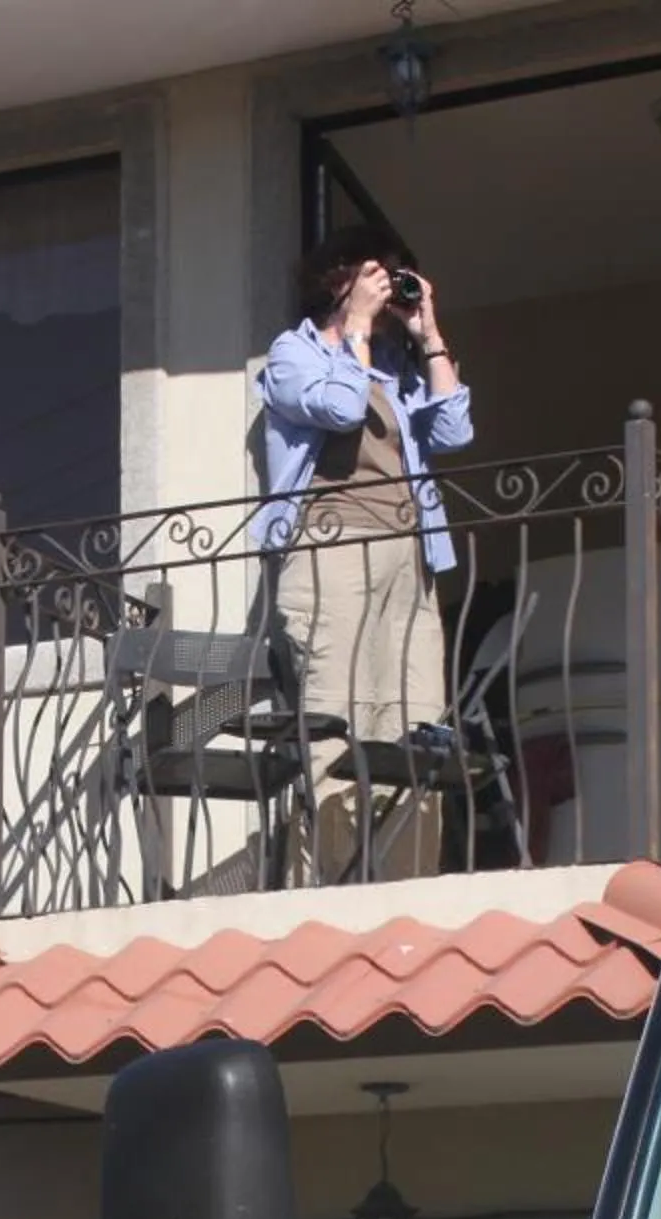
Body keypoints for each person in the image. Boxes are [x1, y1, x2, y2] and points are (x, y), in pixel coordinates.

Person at [251, 223, 474, 883]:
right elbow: (341, 411)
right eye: (377, 272)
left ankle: (405, 885)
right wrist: (353, 331)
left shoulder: (395, 368)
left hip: (410, 559)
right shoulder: (293, 354)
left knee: (414, 720)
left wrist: (428, 334)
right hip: (331, 550)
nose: (387, 286)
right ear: (337, 277)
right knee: (338, 718)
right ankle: (330, 888)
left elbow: (456, 430)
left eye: (396, 275)